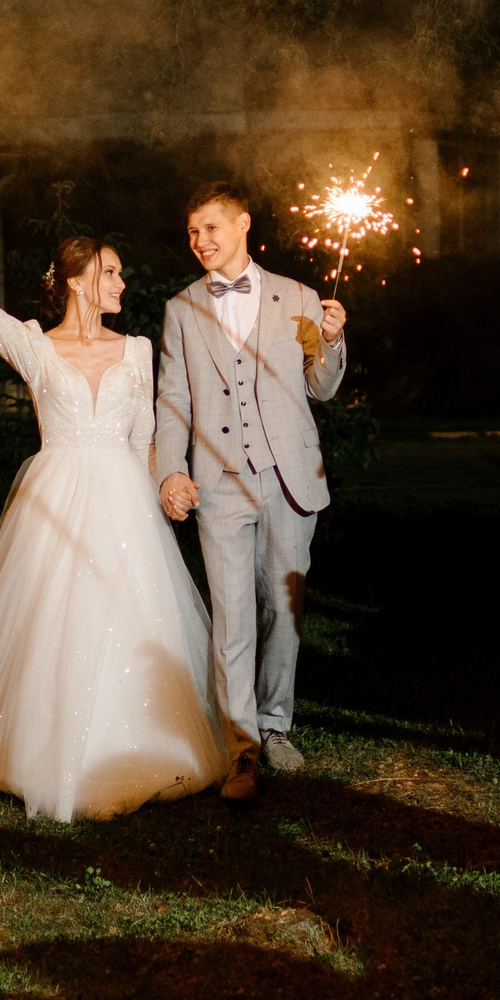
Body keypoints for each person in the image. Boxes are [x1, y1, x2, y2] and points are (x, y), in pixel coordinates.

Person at [0, 209, 225, 821]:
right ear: (77, 280)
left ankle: (136, 740)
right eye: (111, 273)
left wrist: (166, 487)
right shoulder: (34, 345)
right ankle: (40, 748)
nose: (123, 285)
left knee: (129, 618)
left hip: (124, 499)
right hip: (54, 501)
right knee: (56, 620)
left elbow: (144, 440)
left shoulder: (137, 349)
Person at [154, 182, 348, 804]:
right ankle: (242, 750)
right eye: (191, 232)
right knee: (232, 616)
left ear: (242, 224)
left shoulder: (298, 296)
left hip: (290, 477)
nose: (200, 241)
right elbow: (174, 400)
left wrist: (333, 340)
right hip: (218, 484)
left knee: (283, 612)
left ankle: (276, 723)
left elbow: (322, 387)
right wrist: (169, 471)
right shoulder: (181, 309)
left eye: (210, 228)